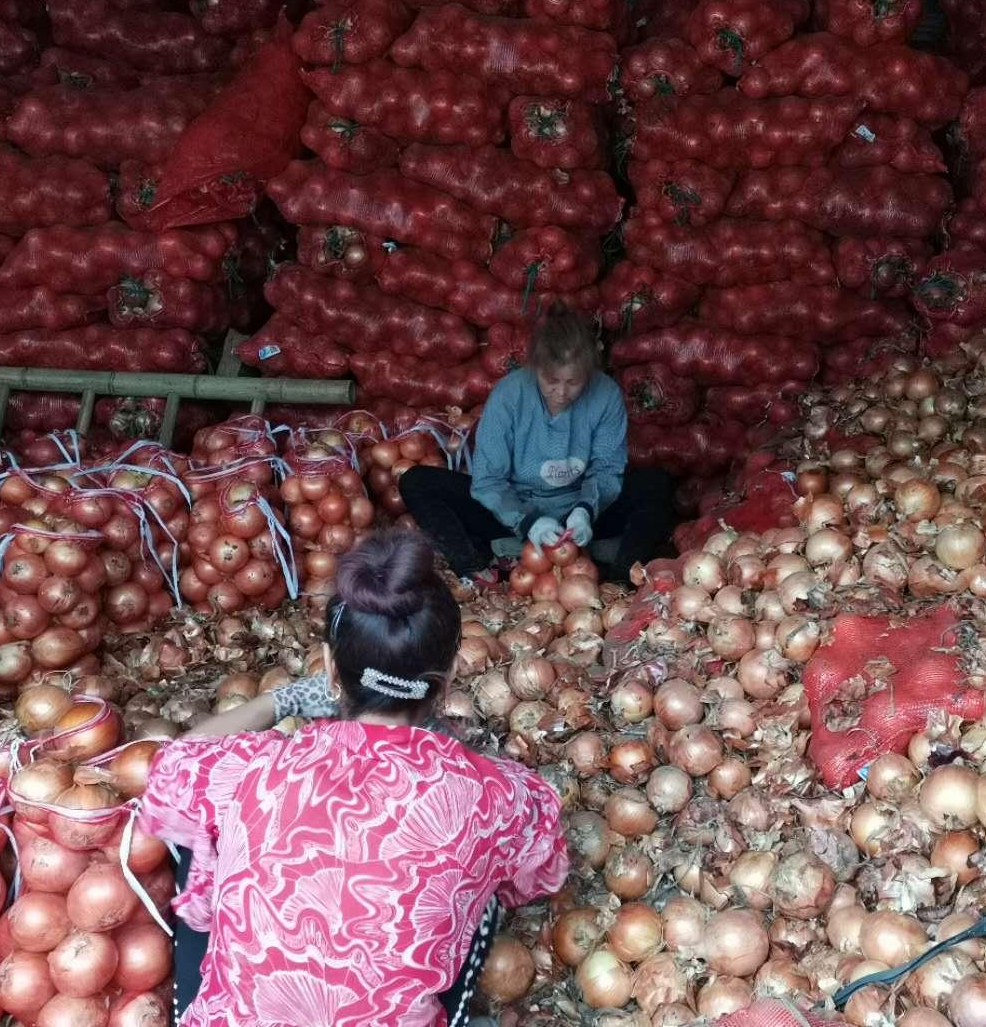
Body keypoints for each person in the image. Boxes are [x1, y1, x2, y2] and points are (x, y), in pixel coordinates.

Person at [138, 530, 569, 1027]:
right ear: (448, 677)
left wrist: (284, 699)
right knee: (484, 895)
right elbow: (541, 875)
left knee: (201, 834)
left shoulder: (255, 769)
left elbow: (174, 763)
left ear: (329, 669)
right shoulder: (492, 795)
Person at [402, 306, 675, 586]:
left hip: (580, 512)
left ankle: (619, 582)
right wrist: (528, 521)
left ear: (589, 372)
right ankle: (475, 565)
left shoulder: (605, 394)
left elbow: (608, 467)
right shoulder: (509, 395)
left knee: (657, 484)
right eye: (551, 380)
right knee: (417, 482)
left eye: (574, 382)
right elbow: (489, 480)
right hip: (514, 509)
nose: (561, 392)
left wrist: (585, 510)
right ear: (535, 369)